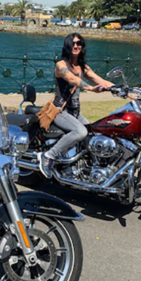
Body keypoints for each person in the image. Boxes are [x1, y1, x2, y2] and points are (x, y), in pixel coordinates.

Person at [39, 33, 114, 178]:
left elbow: (101, 80)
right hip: (60, 111)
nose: (75, 46)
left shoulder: (83, 67)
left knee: (94, 133)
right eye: (72, 43)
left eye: (79, 43)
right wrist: (90, 88)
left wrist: (127, 91)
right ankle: (48, 155)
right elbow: (71, 79)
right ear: (67, 46)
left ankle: (79, 164)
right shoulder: (61, 65)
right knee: (81, 132)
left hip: (75, 113)